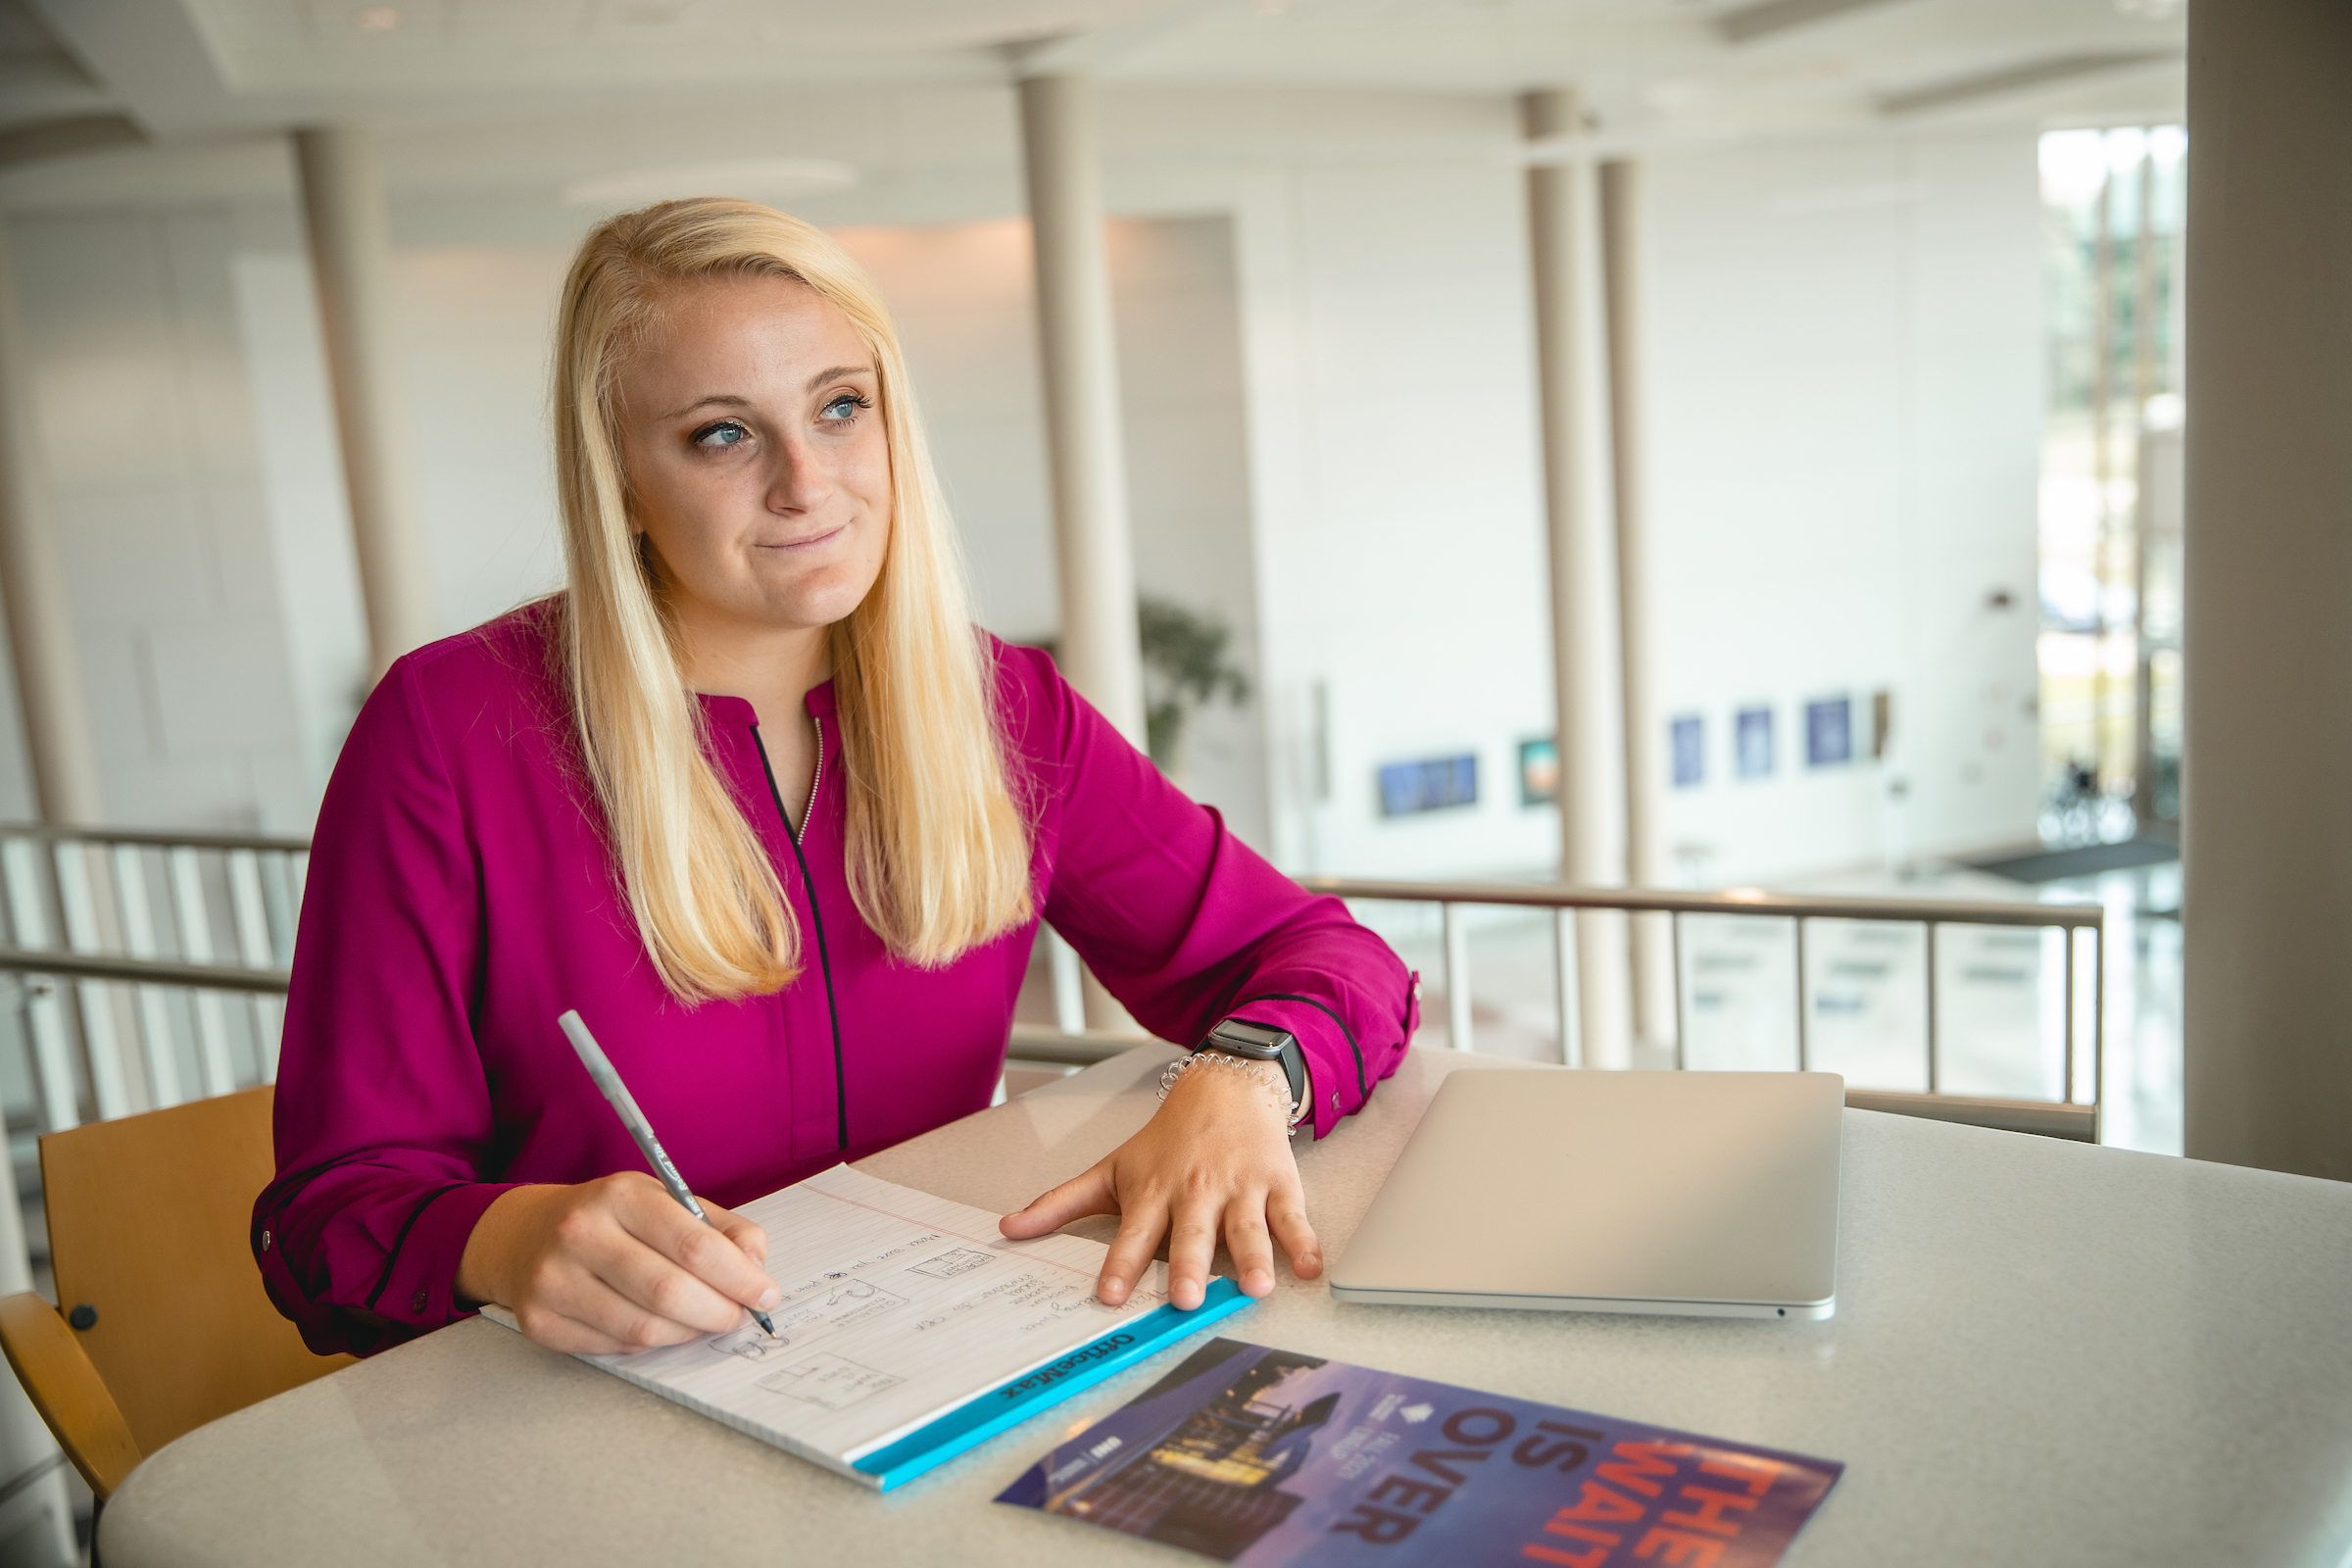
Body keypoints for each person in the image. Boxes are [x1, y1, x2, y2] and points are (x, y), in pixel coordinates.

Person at [254, 197, 1418, 1358]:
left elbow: (1328, 957)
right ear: (619, 475)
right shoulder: (449, 733)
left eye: (840, 408)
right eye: (722, 433)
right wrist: (505, 1238)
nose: (806, 484)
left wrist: (1246, 1077)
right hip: (595, 1407)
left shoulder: (1000, 704)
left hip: (943, 1365)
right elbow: (330, 1220)